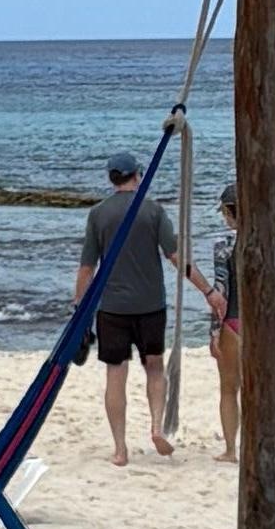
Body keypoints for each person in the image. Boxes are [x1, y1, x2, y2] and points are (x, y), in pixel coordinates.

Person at [72, 154, 176, 461]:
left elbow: (86, 267)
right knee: (155, 368)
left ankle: (120, 448)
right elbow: (174, 255)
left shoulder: (98, 214)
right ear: (138, 175)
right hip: (150, 305)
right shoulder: (154, 210)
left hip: (113, 308)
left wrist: (79, 307)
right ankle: (157, 426)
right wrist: (208, 290)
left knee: (115, 375)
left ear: (111, 179)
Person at [201, 182, 242, 460]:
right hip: (264, 326)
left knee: (229, 389)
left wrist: (214, 331)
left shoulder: (224, 247)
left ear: (229, 211)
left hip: (234, 323)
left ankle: (230, 449)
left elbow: (221, 290)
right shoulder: (270, 241)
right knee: (256, 389)